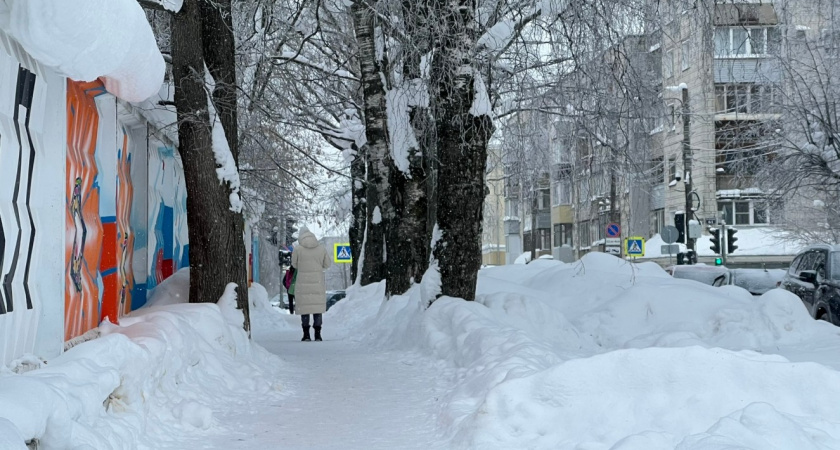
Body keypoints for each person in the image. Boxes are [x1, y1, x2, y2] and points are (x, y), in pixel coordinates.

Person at [290, 227, 331, 341]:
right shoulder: (321, 248)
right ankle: (318, 334)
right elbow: (327, 264)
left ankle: (306, 334)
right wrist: (318, 267)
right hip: (317, 281)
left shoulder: (298, 249)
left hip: (303, 281)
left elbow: (294, 264)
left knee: (305, 308)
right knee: (317, 308)